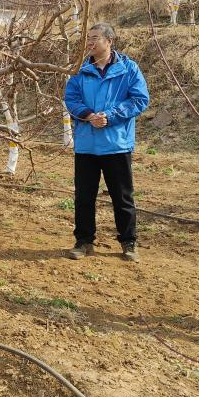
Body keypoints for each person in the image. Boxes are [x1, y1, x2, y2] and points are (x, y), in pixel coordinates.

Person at [64, 23, 150, 262]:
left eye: (95, 38)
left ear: (109, 41)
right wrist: (89, 115)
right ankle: (84, 241)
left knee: (122, 197)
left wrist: (110, 116)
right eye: (88, 37)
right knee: (84, 196)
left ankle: (128, 242)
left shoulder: (129, 69)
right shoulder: (80, 70)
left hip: (117, 144)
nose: (90, 42)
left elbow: (139, 99)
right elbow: (71, 99)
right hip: (87, 145)